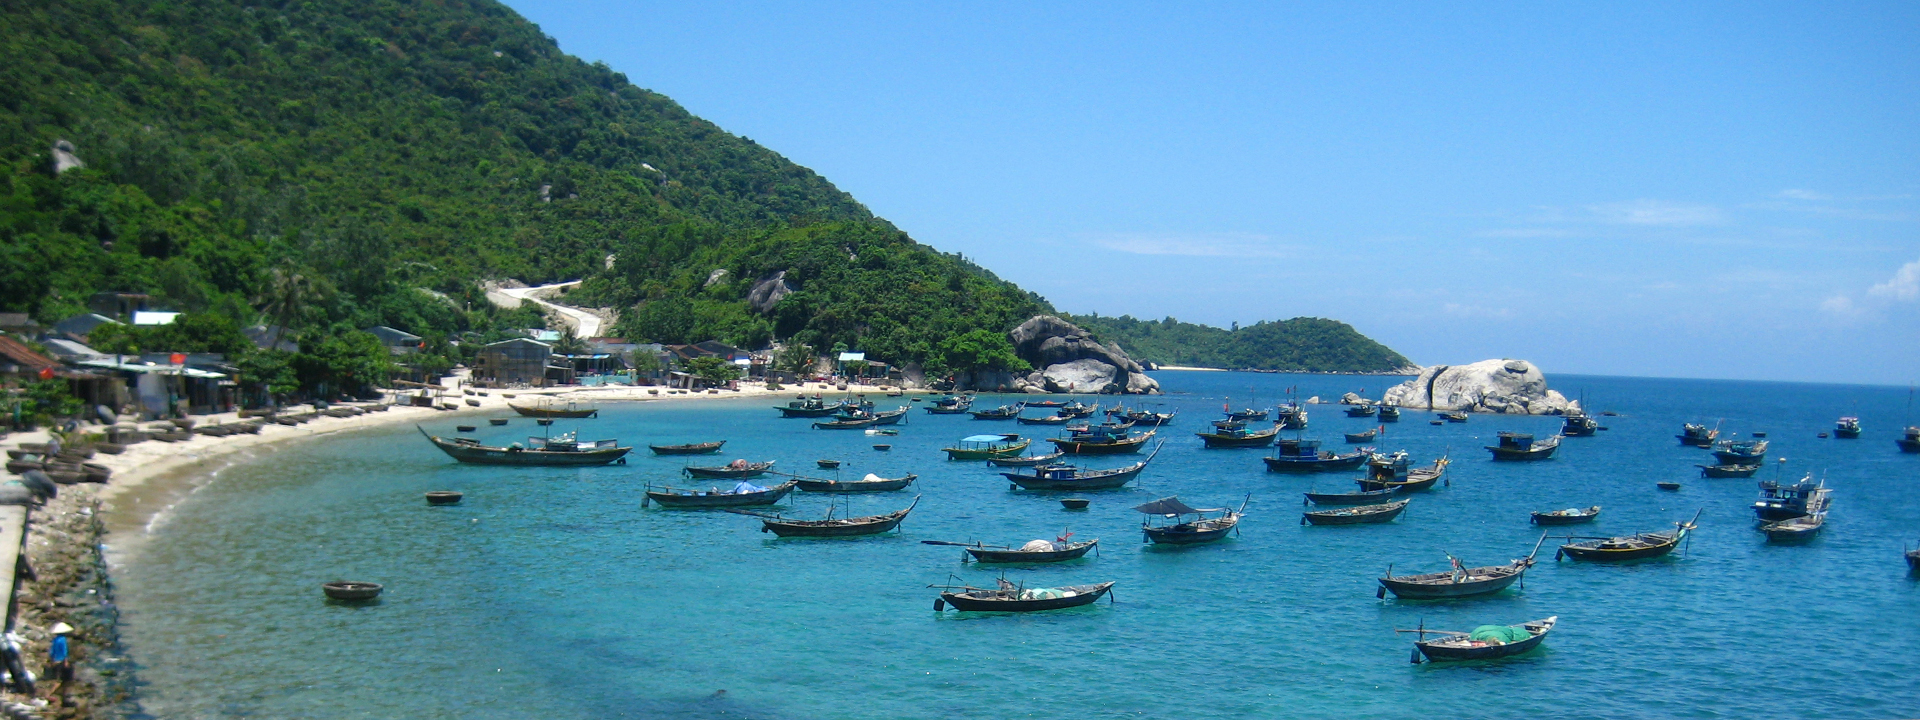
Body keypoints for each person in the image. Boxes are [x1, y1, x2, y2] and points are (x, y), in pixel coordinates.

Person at [46, 622, 72, 698]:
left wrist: (51, 661)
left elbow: (52, 652)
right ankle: (52, 694)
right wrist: (66, 661)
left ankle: (57, 694)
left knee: (57, 678)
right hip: (61, 661)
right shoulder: (63, 639)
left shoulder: (55, 640)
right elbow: (64, 652)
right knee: (63, 680)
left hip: (55, 661)